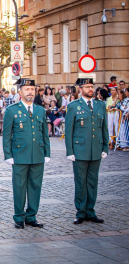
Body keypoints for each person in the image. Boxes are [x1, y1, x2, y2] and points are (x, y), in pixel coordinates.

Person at [2, 78, 50, 229]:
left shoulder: (40, 110)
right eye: (27, 89)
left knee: (35, 186)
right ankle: (19, 217)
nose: (30, 92)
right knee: (19, 187)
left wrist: (46, 153)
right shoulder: (12, 110)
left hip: (37, 155)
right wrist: (8, 155)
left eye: (32, 89)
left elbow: (44, 134)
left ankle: (31, 216)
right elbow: (6, 135)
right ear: (20, 92)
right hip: (19, 155)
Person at [65, 78, 108, 225]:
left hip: (96, 148)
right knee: (80, 182)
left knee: (93, 182)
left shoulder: (100, 105)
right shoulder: (73, 106)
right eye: (87, 87)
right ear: (80, 89)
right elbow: (69, 130)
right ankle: (80, 212)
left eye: (92, 86)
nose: (91, 89)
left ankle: (91, 211)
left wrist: (105, 147)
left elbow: (104, 128)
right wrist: (70, 151)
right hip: (80, 150)